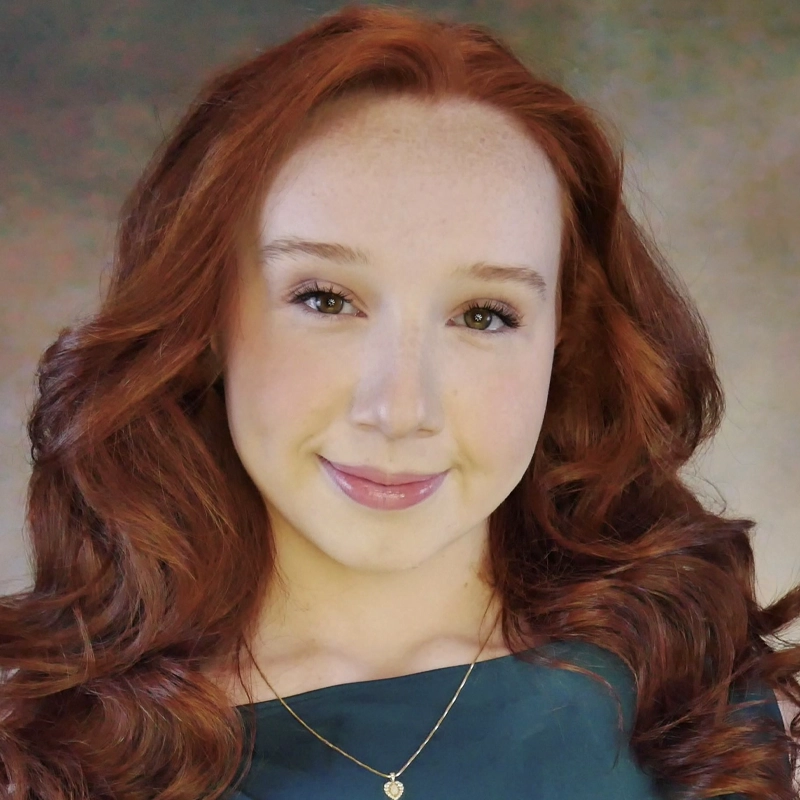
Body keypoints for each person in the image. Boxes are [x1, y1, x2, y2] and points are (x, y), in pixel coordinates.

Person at [1, 3, 798, 799]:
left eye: (484, 315)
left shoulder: (693, 697)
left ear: (565, 340)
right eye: (325, 299)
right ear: (207, 318)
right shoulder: (44, 742)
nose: (400, 408)